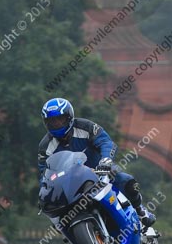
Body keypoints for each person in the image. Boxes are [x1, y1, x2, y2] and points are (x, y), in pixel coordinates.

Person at [37, 97, 156, 227]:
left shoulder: (86, 127)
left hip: (100, 171)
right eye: (52, 121)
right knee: (57, 217)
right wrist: (46, 192)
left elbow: (106, 142)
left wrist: (105, 160)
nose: (56, 124)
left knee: (127, 181)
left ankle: (140, 210)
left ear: (69, 117)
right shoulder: (45, 146)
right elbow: (45, 173)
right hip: (71, 185)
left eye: (60, 119)